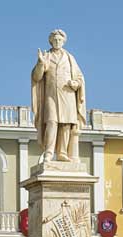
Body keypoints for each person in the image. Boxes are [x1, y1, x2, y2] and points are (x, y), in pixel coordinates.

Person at [31, 29, 86, 162]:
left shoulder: (70, 58)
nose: (57, 42)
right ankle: (49, 152)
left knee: (66, 124)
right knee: (51, 122)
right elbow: (36, 77)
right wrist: (40, 63)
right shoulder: (46, 56)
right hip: (51, 96)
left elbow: (80, 77)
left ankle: (62, 152)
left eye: (59, 40)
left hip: (67, 94)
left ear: (64, 41)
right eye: (54, 40)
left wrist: (76, 83)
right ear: (50, 41)